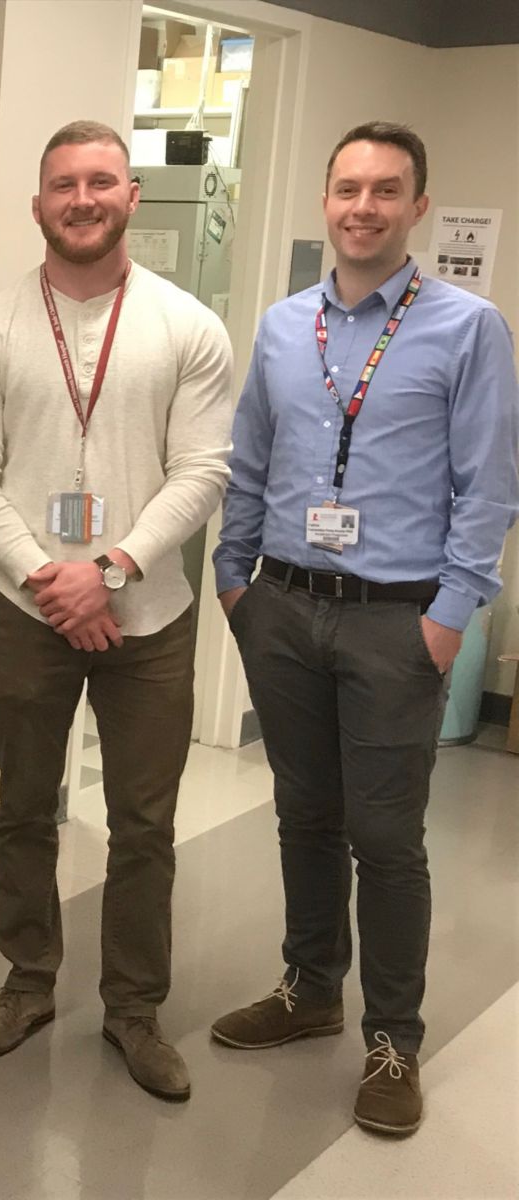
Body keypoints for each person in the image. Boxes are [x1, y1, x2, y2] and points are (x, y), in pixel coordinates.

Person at [210, 121, 519, 1135]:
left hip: (396, 622)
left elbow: (488, 487)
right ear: (325, 200)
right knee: (303, 816)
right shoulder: (281, 326)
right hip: (283, 607)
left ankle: (394, 1039)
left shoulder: (468, 328)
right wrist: (233, 579)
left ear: (417, 207)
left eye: (387, 190)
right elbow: (249, 457)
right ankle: (309, 989)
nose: (364, 207)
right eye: (348, 188)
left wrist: (448, 619)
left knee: (384, 838)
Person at [0, 120, 233, 1101]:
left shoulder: (187, 327)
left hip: (150, 618)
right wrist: (50, 580)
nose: (82, 199)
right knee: (23, 806)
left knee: (144, 824)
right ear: (38, 204)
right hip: (28, 613)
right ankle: (28, 981)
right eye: (63, 184)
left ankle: (133, 1009)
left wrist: (107, 568)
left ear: (130, 197)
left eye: (101, 181)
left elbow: (203, 471)